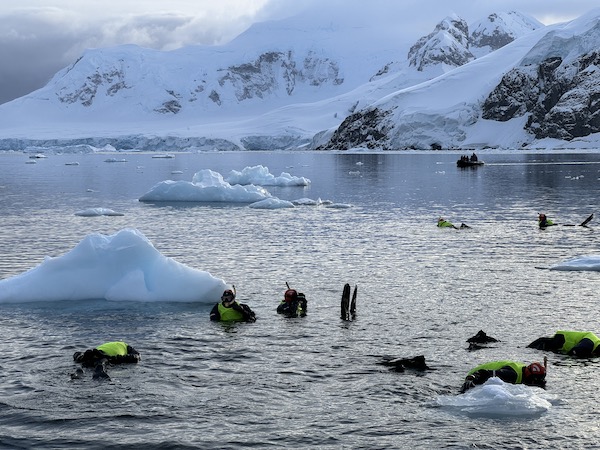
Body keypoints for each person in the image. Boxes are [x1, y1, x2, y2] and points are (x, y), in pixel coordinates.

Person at [460, 360, 546, 393]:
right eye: (535, 380)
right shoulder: (511, 375)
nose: (534, 383)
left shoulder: (524, 371)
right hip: (477, 374)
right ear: (529, 375)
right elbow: (485, 373)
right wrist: (471, 378)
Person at [72, 341, 141, 380]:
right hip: (105, 357)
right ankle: (99, 370)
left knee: (86, 362)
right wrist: (113, 359)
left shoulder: (110, 344)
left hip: (95, 353)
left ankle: (79, 367)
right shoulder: (127, 347)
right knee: (102, 363)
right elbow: (136, 357)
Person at [527, 330, 600, 358]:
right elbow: (573, 353)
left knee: (544, 343)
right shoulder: (588, 345)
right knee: (542, 345)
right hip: (562, 340)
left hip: (563, 340)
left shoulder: (596, 342)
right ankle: (526, 350)